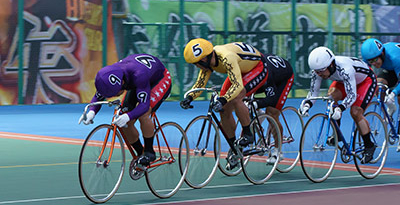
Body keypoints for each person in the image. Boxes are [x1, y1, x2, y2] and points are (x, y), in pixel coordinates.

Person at [181, 39, 268, 169]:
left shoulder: (227, 57)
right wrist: (189, 97)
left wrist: (224, 99)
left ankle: (248, 134)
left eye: (196, 64)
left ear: (204, 59)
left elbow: (237, 85)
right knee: (224, 109)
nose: (196, 66)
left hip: (258, 67)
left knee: (236, 97)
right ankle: (234, 147)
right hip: (240, 68)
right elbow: (200, 83)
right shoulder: (208, 62)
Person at [78, 54, 172, 166]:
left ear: (122, 83)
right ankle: (140, 154)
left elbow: (144, 105)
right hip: (138, 81)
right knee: (124, 120)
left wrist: (128, 116)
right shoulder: (109, 75)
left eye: (114, 94)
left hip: (159, 79)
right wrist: (92, 112)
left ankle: (149, 152)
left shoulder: (138, 75)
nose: (113, 97)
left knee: (144, 114)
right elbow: (99, 96)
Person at [299, 47, 378, 163]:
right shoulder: (318, 71)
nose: (319, 74)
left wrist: (340, 108)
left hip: (366, 81)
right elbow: (313, 92)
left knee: (355, 112)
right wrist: (307, 104)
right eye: (317, 72)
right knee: (331, 96)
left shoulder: (345, 69)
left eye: (321, 71)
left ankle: (369, 145)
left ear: (331, 65)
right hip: (343, 81)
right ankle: (337, 134)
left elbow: (352, 96)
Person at [361, 38, 400, 152]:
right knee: (378, 86)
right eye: (371, 62)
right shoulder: (372, 59)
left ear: (382, 53)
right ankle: (391, 108)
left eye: (375, 60)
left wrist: (393, 94)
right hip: (389, 68)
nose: (374, 64)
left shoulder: (395, 58)